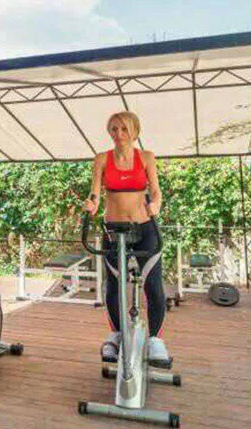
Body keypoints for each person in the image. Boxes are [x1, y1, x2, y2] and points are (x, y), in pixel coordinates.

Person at [83, 111, 169, 364]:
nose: (118, 134)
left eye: (123, 129)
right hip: (114, 229)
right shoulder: (101, 159)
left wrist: (156, 204)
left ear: (135, 131)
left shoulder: (146, 157)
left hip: (144, 227)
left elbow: (156, 190)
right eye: (113, 129)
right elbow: (95, 192)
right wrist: (92, 204)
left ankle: (155, 340)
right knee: (114, 286)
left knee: (153, 285)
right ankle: (117, 335)